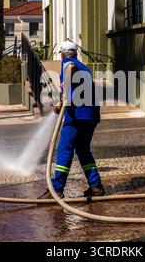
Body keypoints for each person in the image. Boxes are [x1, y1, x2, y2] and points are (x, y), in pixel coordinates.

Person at [39, 41, 105, 199]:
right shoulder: (85, 67)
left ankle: (57, 189)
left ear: (62, 54)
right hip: (91, 116)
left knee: (65, 149)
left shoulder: (68, 63)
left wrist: (64, 96)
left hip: (77, 116)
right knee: (83, 150)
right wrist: (63, 100)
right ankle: (96, 186)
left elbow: (70, 69)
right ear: (76, 53)